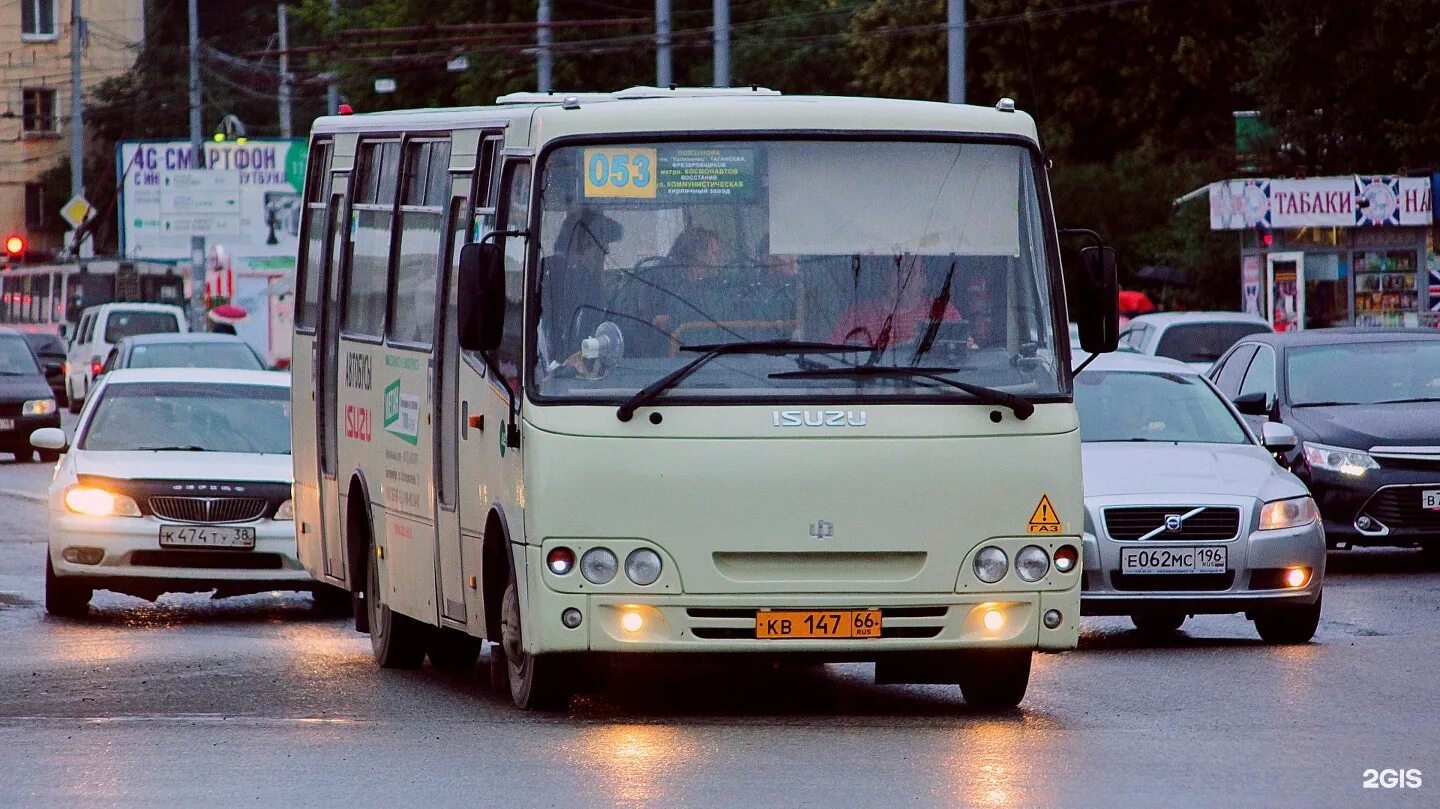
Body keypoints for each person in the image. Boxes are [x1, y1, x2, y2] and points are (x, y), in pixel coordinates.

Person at [540, 207, 623, 362]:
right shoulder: (552, 279)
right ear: (582, 244)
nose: (606, 250)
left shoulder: (594, 282)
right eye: (601, 240)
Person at [830, 256, 960, 348]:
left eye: (910, 271)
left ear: (923, 280)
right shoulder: (854, 317)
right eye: (897, 270)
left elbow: (965, 358)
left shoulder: (944, 313)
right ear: (885, 277)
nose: (903, 277)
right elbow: (831, 363)